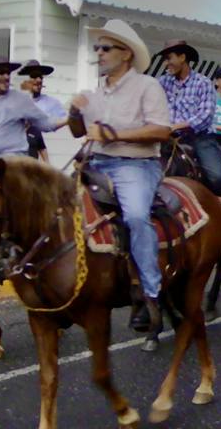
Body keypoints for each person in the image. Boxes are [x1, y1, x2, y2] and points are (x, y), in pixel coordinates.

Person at [69, 19, 171, 333]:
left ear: (126, 54)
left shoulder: (147, 86)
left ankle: (150, 291)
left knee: (137, 216)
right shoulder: (95, 92)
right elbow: (78, 132)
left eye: (105, 48)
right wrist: (75, 113)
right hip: (96, 163)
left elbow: (161, 130)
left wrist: (113, 134)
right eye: (97, 48)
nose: (98, 53)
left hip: (136, 165)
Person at [156, 40, 221, 201]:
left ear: (182, 57)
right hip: (168, 138)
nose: (166, 63)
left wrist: (175, 126)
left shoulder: (203, 83)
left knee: (217, 177)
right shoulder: (163, 82)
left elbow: (205, 116)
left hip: (199, 138)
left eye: (169, 58)